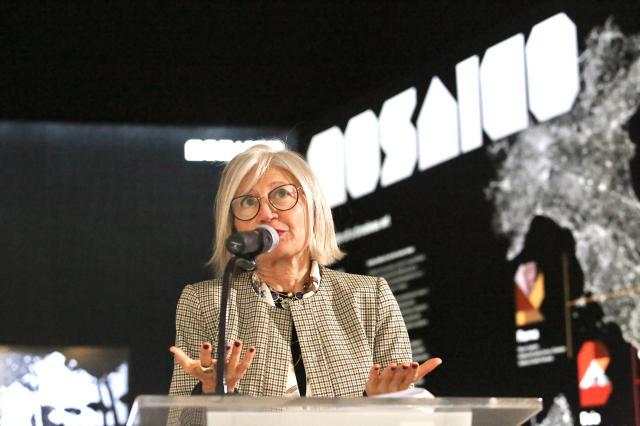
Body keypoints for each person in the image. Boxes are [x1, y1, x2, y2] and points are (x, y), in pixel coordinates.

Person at [169, 142, 442, 397]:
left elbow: (406, 414)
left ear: (313, 206)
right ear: (234, 224)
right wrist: (207, 395)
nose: (266, 213)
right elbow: (178, 420)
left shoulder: (371, 297)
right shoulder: (204, 302)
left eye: (282, 194)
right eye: (248, 202)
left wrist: (380, 401)